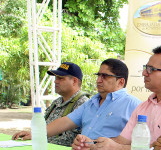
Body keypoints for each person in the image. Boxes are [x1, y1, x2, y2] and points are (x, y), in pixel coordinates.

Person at [72, 45, 161, 150]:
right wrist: (90, 144)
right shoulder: (144, 106)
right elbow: (121, 141)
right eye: (145, 68)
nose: (144, 73)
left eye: (150, 69)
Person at [12, 59, 141, 144]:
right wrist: (35, 133)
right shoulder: (91, 103)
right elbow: (65, 122)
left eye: (105, 76)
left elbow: (141, 140)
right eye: (98, 75)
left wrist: (94, 144)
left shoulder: (134, 105)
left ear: (121, 81)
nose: (99, 80)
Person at [12, 62, 89, 146]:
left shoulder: (83, 104)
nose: (56, 81)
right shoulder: (57, 102)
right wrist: (32, 134)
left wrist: (37, 136)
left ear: (74, 81)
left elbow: (71, 139)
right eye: (56, 78)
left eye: (60, 78)